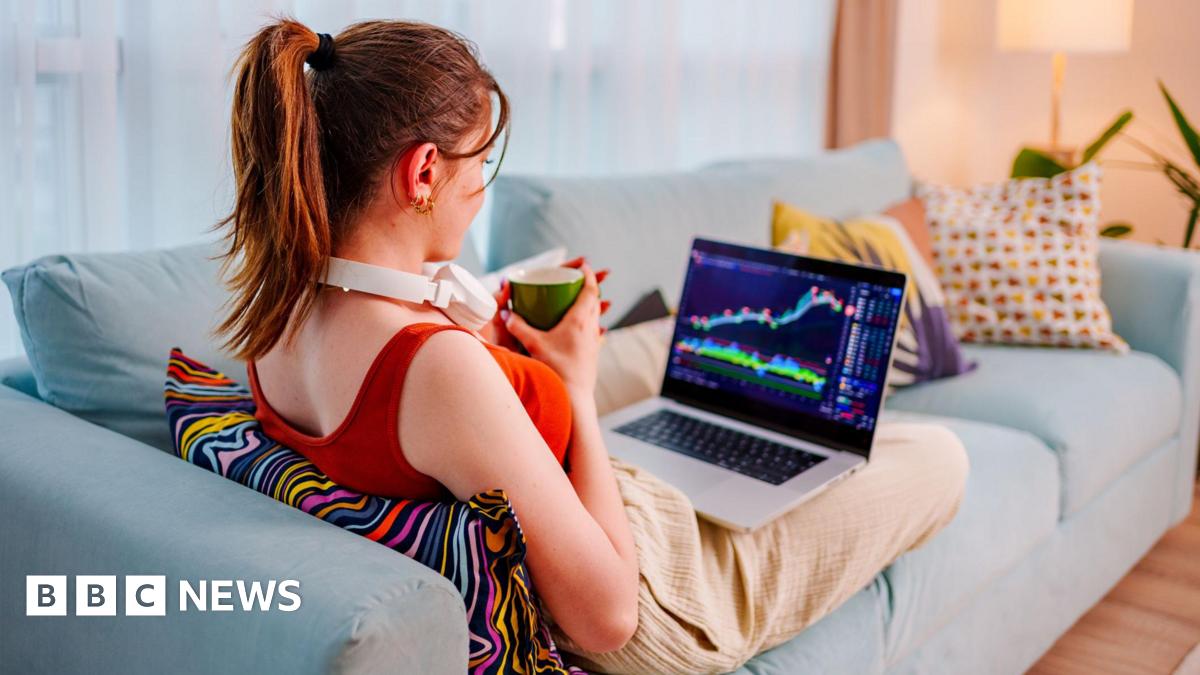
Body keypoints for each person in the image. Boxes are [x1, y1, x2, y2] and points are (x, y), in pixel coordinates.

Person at [216, 17, 969, 674]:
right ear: (422, 172)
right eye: (481, 164)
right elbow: (607, 618)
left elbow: (405, 426)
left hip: (556, 483)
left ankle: (730, 432)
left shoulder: (274, 307)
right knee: (937, 454)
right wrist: (572, 386)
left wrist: (495, 348)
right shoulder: (434, 365)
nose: (481, 187)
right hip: (651, 580)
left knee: (677, 348)